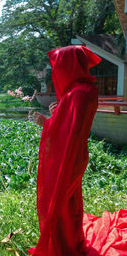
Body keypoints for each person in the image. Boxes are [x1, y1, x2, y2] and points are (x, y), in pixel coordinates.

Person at [28, 45, 127, 256]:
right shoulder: (84, 90)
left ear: (70, 66)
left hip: (67, 157)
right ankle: (69, 242)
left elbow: (67, 133)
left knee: (61, 202)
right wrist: (57, 113)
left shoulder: (77, 94)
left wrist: (44, 122)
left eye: (60, 67)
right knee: (68, 202)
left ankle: (65, 247)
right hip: (74, 155)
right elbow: (69, 123)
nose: (57, 73)